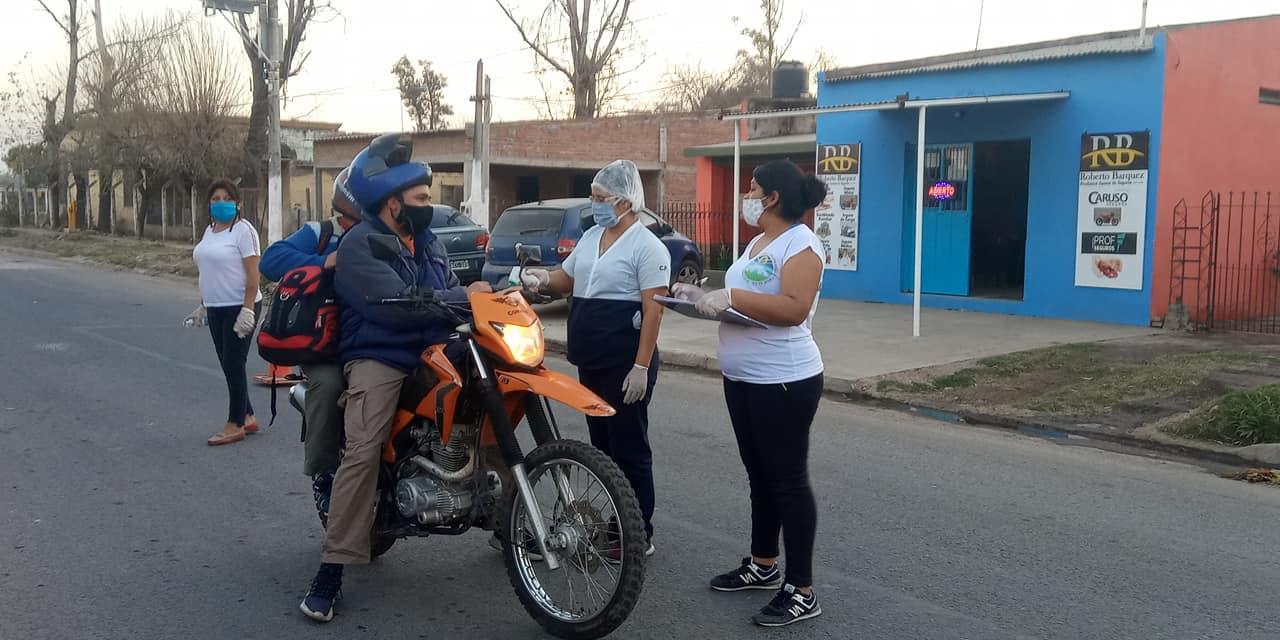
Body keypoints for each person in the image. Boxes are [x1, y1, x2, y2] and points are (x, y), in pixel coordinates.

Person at [299, 134, 493, 623]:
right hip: (379, 354)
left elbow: (446, 290)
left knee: (488, 400)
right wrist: (461, 298)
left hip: (429, 348)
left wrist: (482, 296)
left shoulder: (426, 241)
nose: (431, 205)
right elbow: (402, 303)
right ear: (393, 202)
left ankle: (509, 517)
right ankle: (332, 567)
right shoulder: (360, 242)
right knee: (363, 449)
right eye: (423, 198)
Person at [671, 159, 827, 627]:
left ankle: (802, 589)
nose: (747, 194)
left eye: (753, 187)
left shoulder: (803, 245)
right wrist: (696, 298)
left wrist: (732, 298)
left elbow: (794, 308)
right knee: (759, 474)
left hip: (785, 380)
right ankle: (763, 564)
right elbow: (742, 298)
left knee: (788, 480)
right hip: (743, 379)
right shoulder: (760, 241)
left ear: (773, 196)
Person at [522, 159, 670, 559]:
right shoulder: (592, 237)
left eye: (601, 197)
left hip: (625, 365)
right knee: (602, 449)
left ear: (625, 201)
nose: (595, 203)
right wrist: (539, 279)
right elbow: (566, 278)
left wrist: (641, 366)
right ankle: (618, 522)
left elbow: (653, 310)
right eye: (593, 196)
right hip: (590, 360)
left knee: (629, 449)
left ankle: (638, 533)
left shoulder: (648, 247)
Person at [259, 168, 362, 521]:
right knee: (329, 384)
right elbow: (271, 261)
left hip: (368, 336)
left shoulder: (389, 232)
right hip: (326, 343)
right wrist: (323, 262)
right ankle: (324, 475)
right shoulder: (323, 233)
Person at [185, 178, 263, 447]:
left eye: (226, 198)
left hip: (239, 306)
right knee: (228, 364)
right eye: (215, 199)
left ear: (237, 203)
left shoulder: (244, 231)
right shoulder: (210, 230)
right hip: (216, 308)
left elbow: (254, 276)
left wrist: (248, 309)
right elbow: (211, 270)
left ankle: (235, 424)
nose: (220, 203)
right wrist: (204, 303)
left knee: (233, 363)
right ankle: (248, 414)